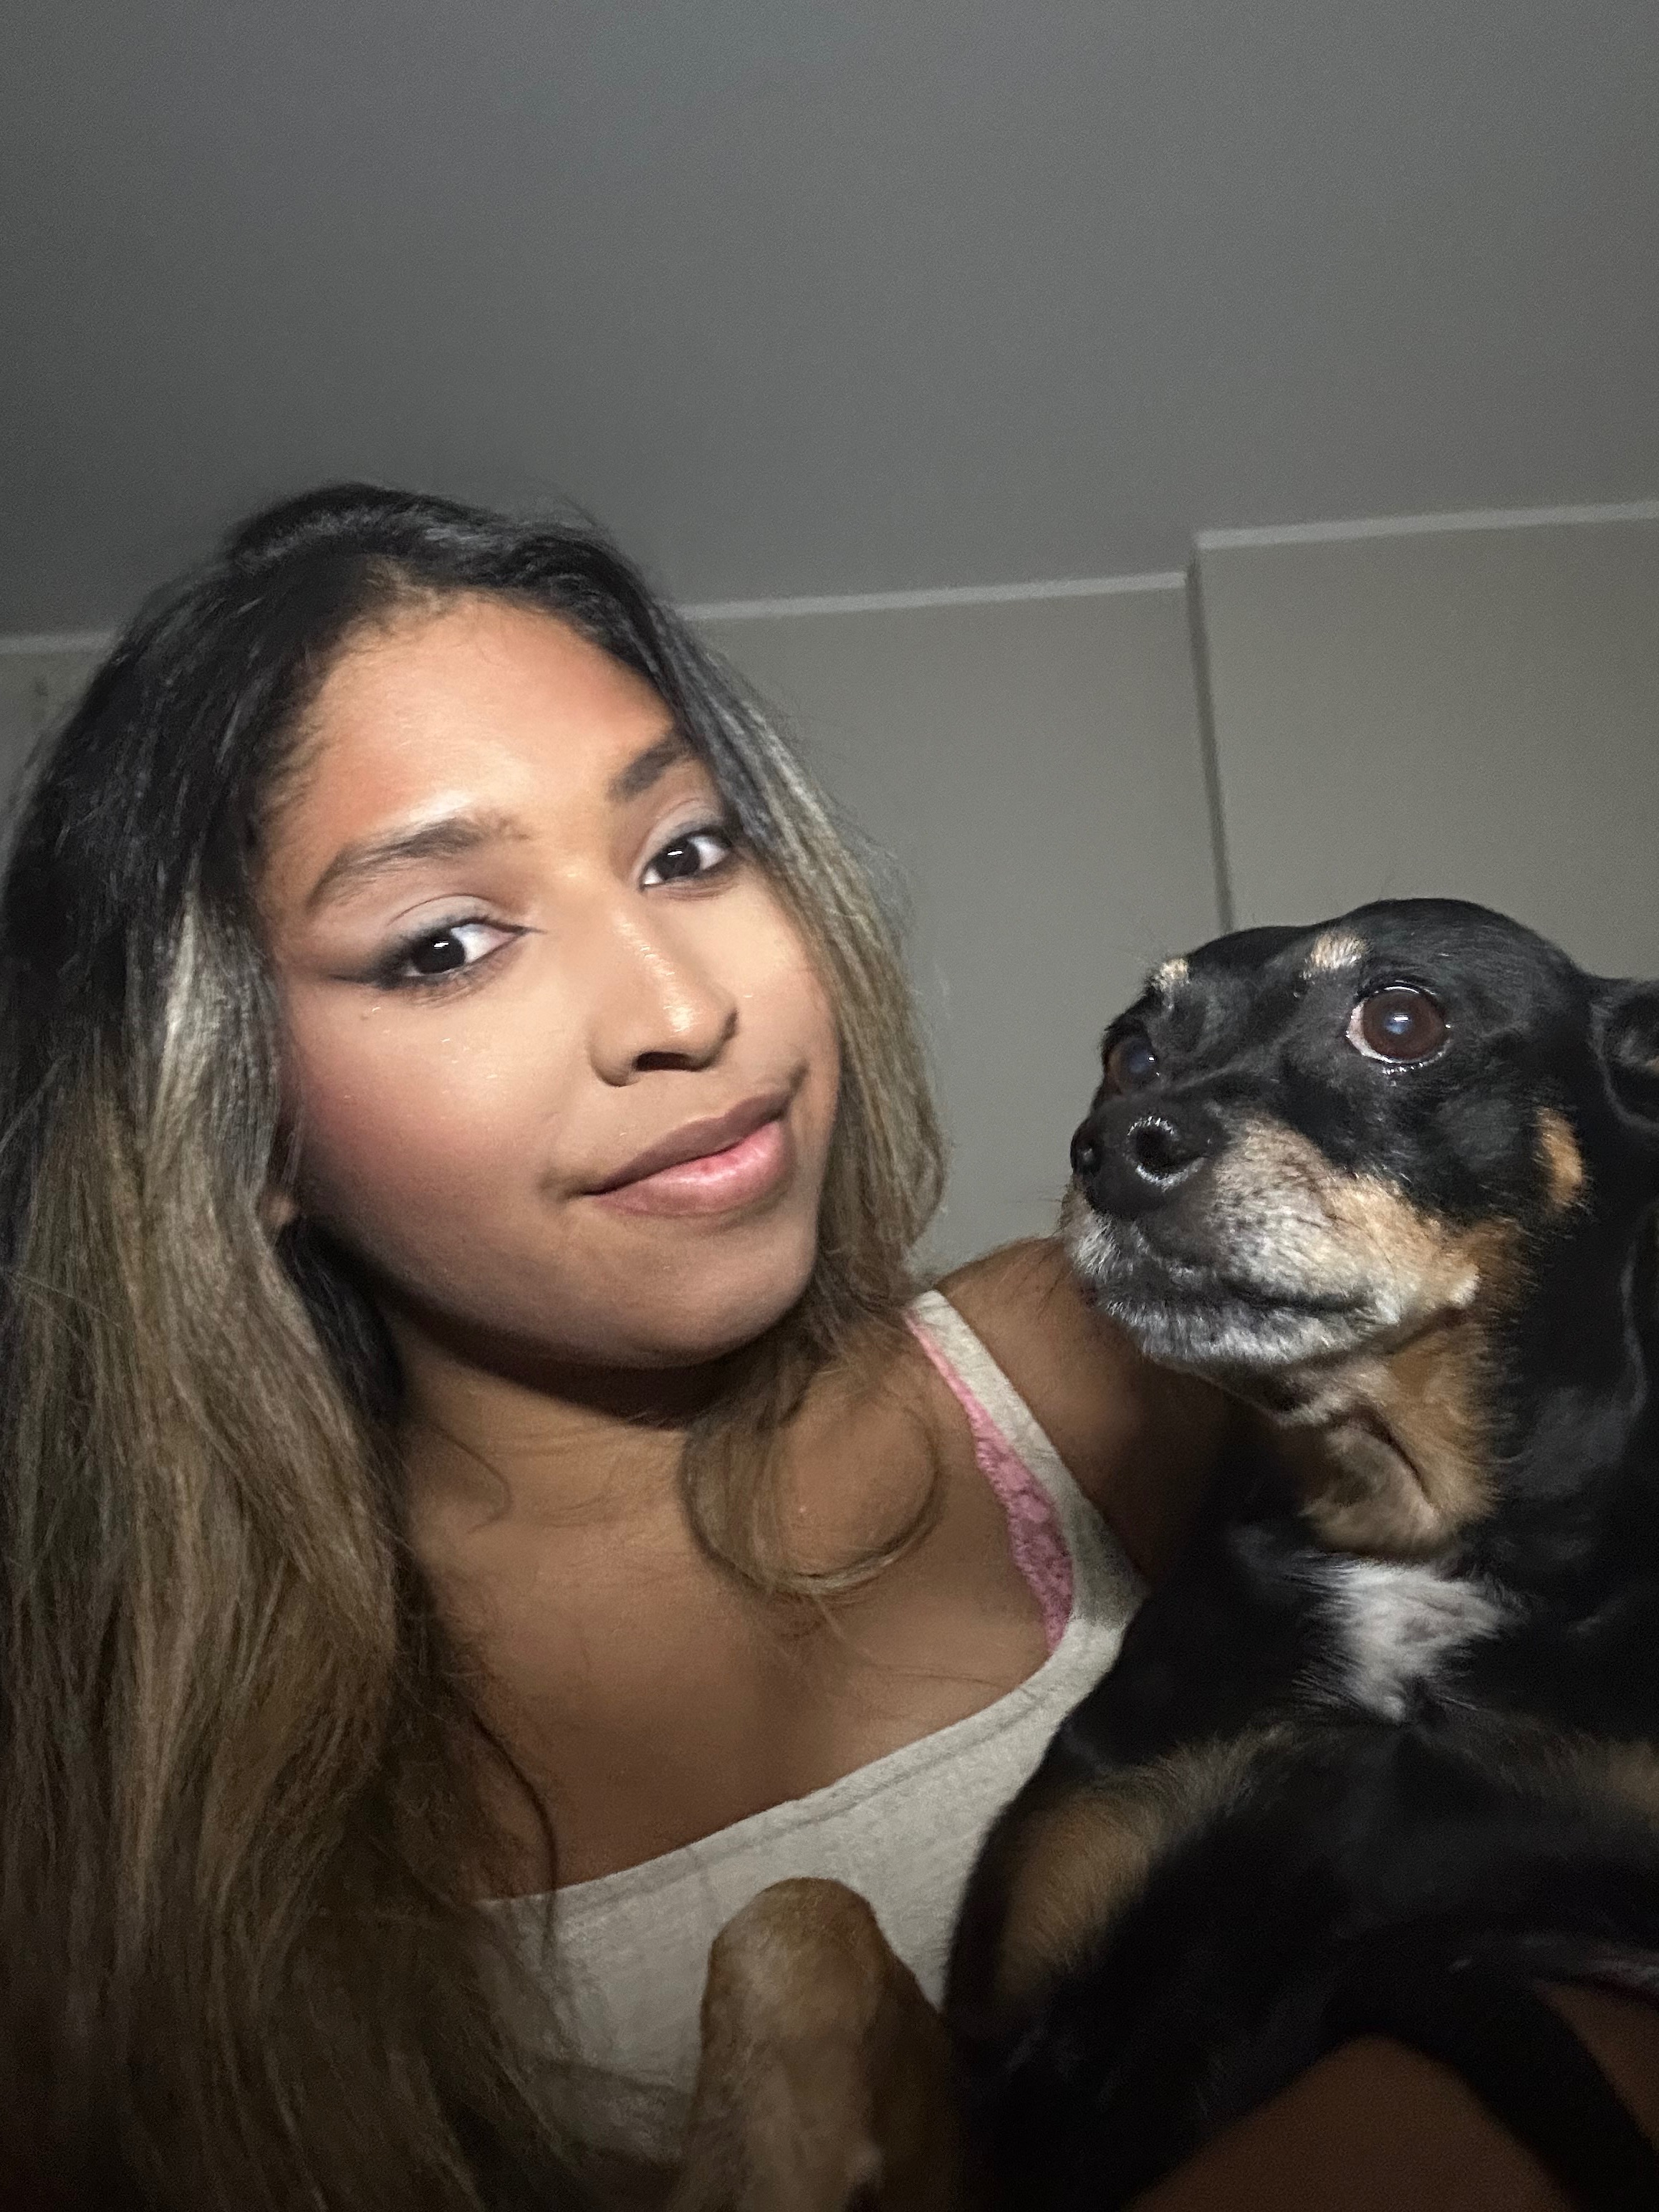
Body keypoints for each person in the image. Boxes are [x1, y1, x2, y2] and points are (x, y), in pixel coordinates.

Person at [1, 484, 1652, 2212]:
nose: (681, 1006)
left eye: (686, 851)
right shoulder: (100, 1809)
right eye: (444, 942)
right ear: (235, 1114)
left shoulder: (1110, 1367)